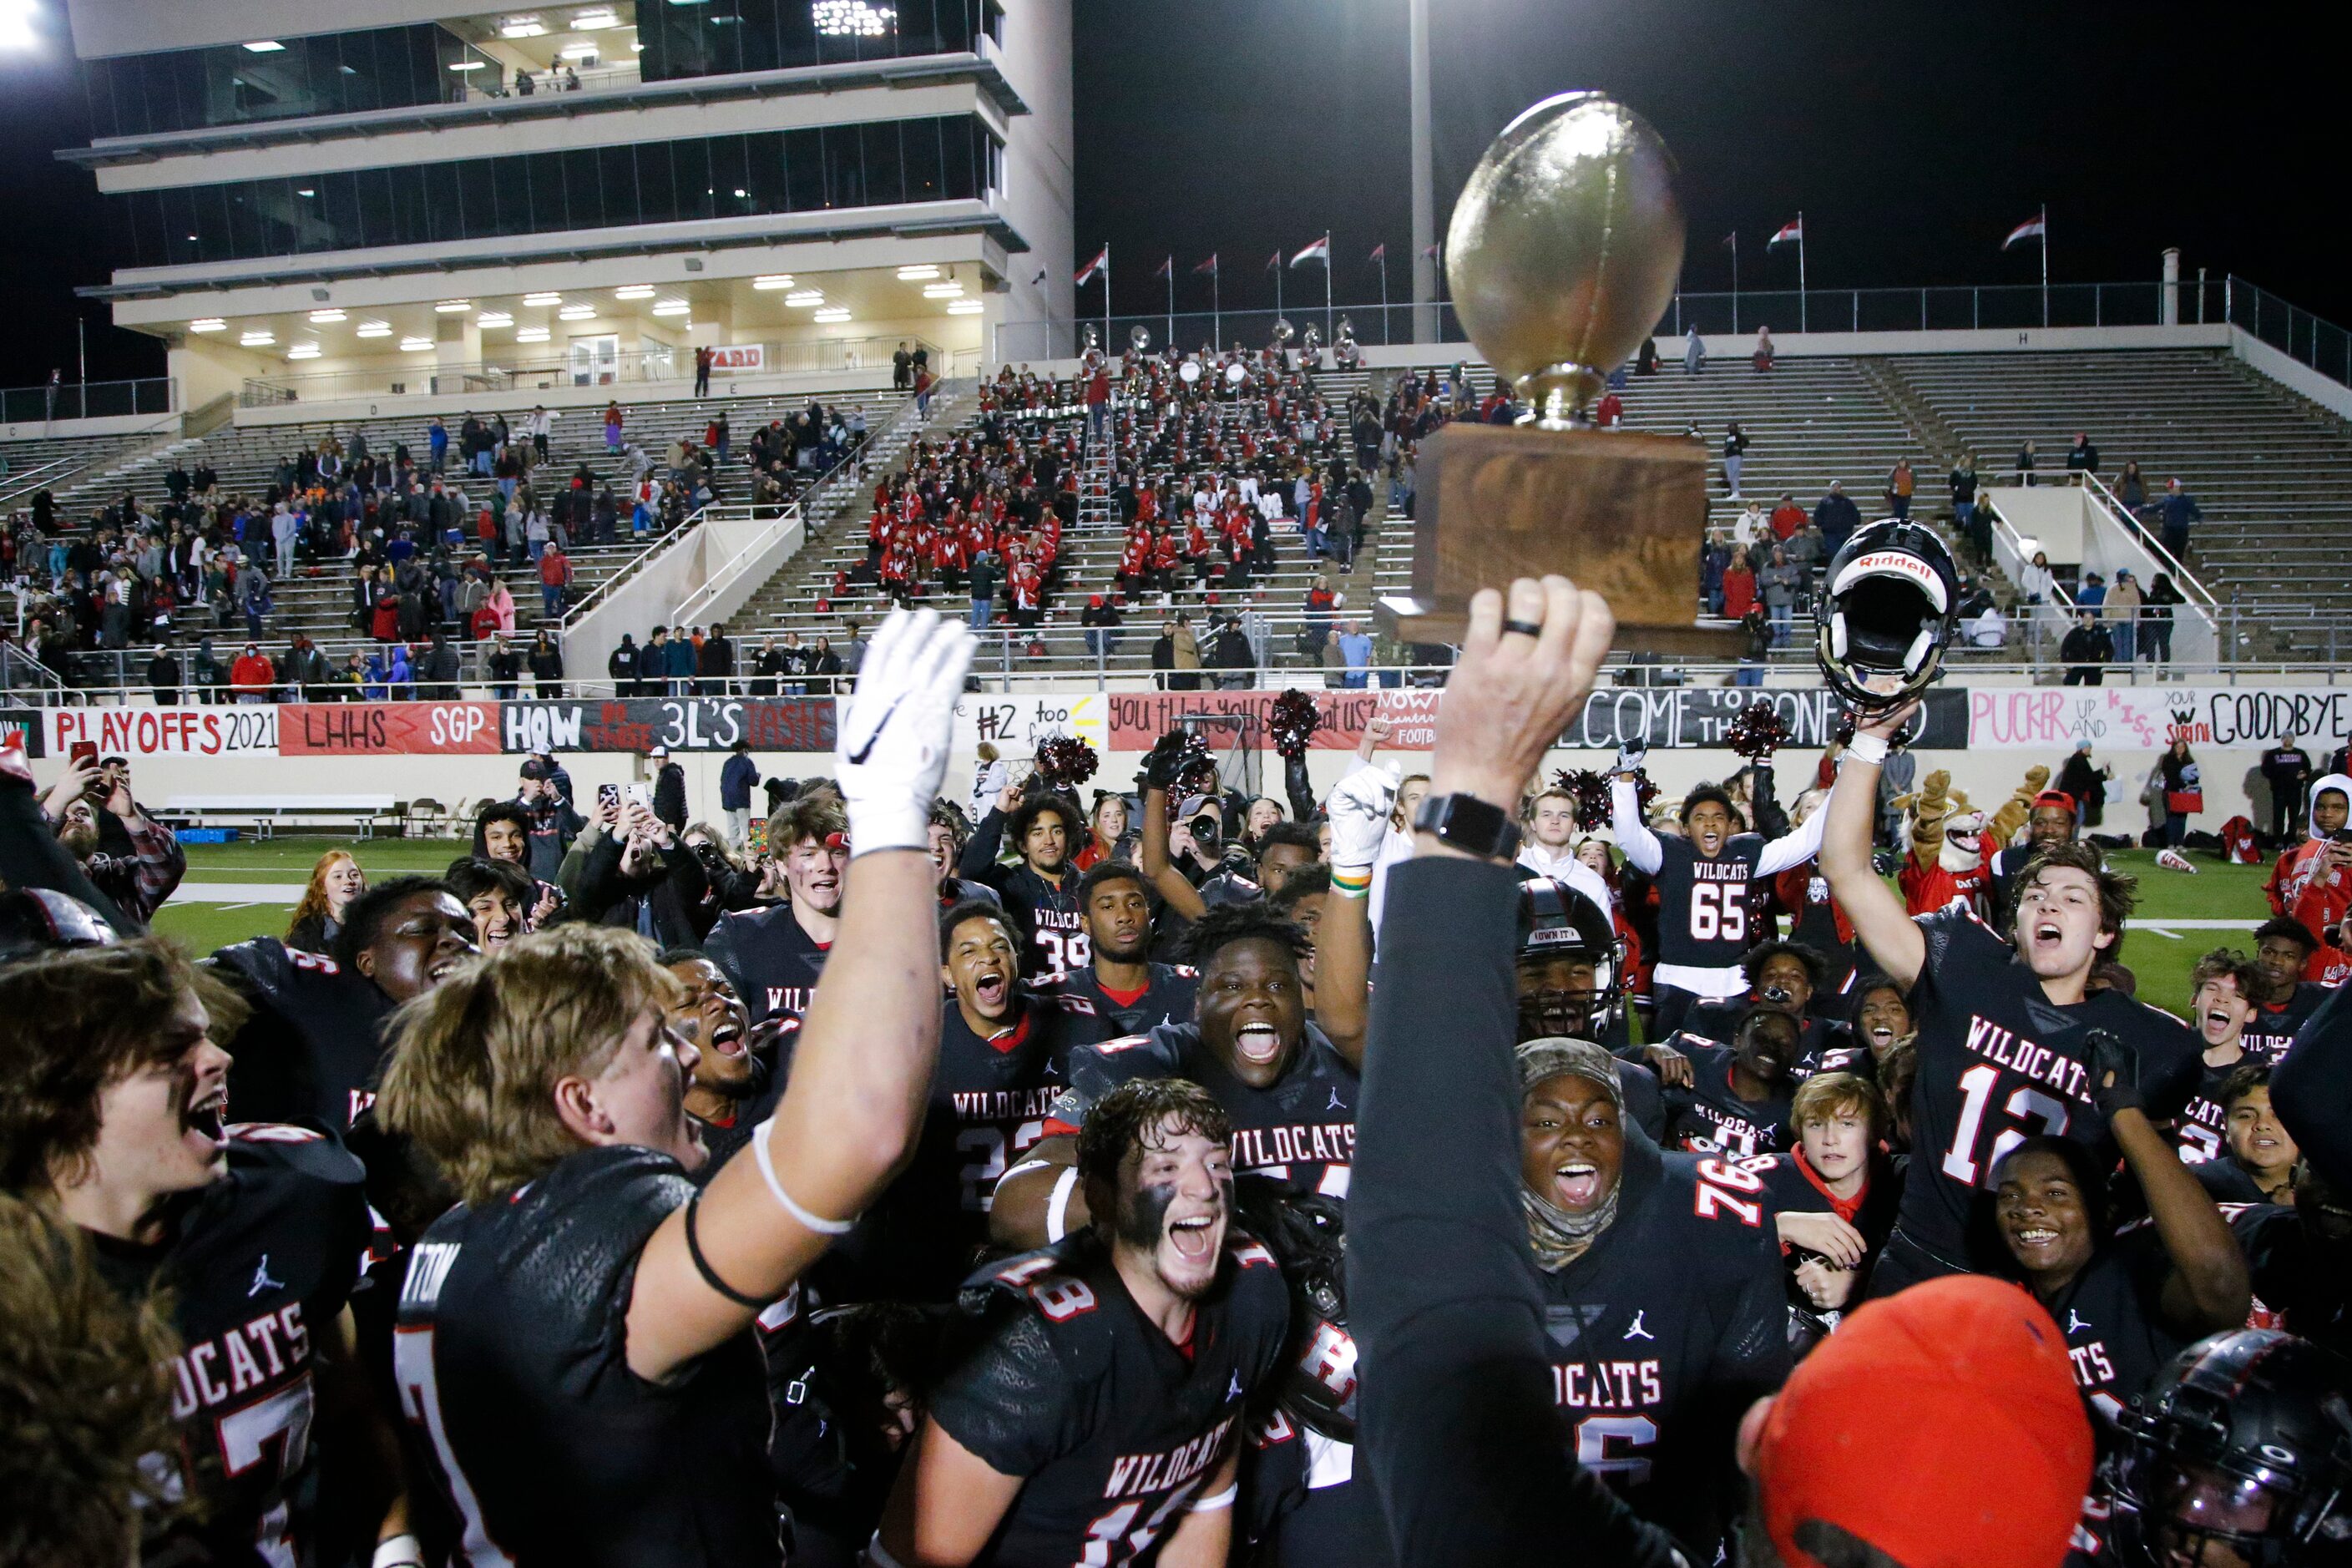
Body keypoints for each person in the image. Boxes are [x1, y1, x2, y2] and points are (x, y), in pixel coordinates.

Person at [377, 608, 969, 1566]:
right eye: (655, 1043)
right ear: (580, 1103)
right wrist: (892, 819)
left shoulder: (452, 1239)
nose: (687, 1058)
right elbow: (860, 1132)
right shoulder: (586, 1235)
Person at [0, 938, 397, 1568]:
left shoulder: (291, 1194)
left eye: (206, 1036)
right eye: (170, 1050)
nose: (218, 1058)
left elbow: (357, 1414)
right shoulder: (22, 1295)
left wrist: (397, 1546)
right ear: (56, 1100)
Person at [1819, 699, 2203, 1296]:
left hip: (2039, 1288)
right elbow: (1847, 872)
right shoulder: (1963, 964)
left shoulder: (2152, 1044)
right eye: (2035, 896)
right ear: (2014, 921)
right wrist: (1867, 743)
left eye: (2073, 899)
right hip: (1916, 1263)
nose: (2049, 904)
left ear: (2104, 934)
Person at [873, 1080, 1288, 1567]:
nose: (1204, 1187)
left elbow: (1204, 1507)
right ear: (1103, 1196)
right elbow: (911, 1559)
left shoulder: (1250, 1294)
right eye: (1167, 1167)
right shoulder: (1034, 1336)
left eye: (1217, 1164)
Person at [991, 903, 1358, 1250]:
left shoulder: (1353, 1062)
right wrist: (1197, 1207)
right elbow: (1015, 1209)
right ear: (1198, 1004)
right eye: (1232, 986)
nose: (1257, 999)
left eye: (1277, 986)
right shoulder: (1150, 1064)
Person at [1609, 746, 1829, 1037]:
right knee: (1673, 1065)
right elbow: (1628, 835)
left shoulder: (1747, 852)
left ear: (1729, 826)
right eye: (1700, 817)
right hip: (1679, 979)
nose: (1710, 823)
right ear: (1686, 828)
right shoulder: (1669, 853)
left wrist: (1844, 780)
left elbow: (1806, 840)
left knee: (1730, 1064)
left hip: (1733, 981)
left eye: (1719, 817)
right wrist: (1625, 778)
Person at [704, 792, 847, 1024]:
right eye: (808, 854)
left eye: (837, 852)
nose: (825, 866)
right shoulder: (740, 938)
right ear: (781, 864)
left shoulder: (890, 942)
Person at [958, 783, 1086, 975]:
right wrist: (999, 813)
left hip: (1085, 999)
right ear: (1022, 844)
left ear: (1068, 838)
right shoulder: (1010, 884)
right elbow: (971, 871)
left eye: (1056, 831)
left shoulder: (1089, 885)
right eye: (1037, 833)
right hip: (1033, 999)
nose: (1049, 840)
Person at [1060, 860, 1201, 1034]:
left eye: (1134, 904)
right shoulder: (1057, 999)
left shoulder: (1192, 988)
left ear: (1149, 913)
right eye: (1108, 906)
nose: (1124, 916)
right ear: (1086, 923)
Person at [285, 847, 364, 953]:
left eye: (354, 875)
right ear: (322, 887)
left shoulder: (378, 922)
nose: (348, 881)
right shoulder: (306, 930)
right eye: (338, 877)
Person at [2159, 735, 2201, 849]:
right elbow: (2170, 776)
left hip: (2185, 794)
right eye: (2178, 747)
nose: (2180, 749)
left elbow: (2195, 776)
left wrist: (2190, 785)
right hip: (2172, 792)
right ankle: (2170, 843)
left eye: (2182, 747)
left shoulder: (2189, 760)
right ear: (2174, 748)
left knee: (2182, 818)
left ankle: (2180, 843)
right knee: (2171, 817)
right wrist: (2183, 785)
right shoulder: (2168, 759)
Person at [720, 739, 760, 848]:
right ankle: (749, 852)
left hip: (727, 799)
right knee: (746, 827)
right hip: (741, 799)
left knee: (733, 829)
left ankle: (733, 853)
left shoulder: (728, 763)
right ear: (744, 750)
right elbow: (753, 781)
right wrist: (758, 776)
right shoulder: (746, 762)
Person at [2061, 609, 2114, 685]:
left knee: (2093, 688)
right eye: (2086, 618)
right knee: (2070, 684)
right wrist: (2066, 663)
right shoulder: (2075, 632)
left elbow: (2109, 649)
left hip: (2095, 664)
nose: (2088, 620)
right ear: (2082, 619)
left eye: (2090, 618)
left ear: (2094, 620)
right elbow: (2065, 647)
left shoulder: (2101, 633)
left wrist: (2106, 664)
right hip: (2077, 663)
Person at [2104, 567, 2143, 664]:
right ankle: (2126, 663)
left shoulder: (2112, 589)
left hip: (2115, 619)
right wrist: (2137, 619)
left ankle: (2119, 663)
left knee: (2117, 643)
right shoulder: (2133, 588)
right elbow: (2137, 605)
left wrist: (2106, 619)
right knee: (2127, 642)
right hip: (2129, 618)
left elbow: (2106, 605)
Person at [2157, 477, 2202, 560]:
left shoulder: (2185, 501)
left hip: (2181, 531)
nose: (2169, 490)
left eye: (2171, 488)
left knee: (2179, 555)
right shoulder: (2167, 500)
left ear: (2177, 488)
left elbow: (2194, 511)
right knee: (2166, 554)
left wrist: (2199, 518)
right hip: (2169, 531)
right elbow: (2155, 507)